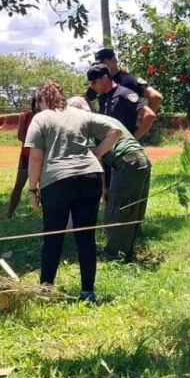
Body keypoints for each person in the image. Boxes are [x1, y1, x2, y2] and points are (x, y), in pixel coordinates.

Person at [25, 81, 122, 303]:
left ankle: (46, 290)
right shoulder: (80, 114)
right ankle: (87, 292)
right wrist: (96, 153)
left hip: (58, 181)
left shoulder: (41, 118)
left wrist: (32, 190)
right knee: (85, 237)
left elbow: (36, 157)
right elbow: (115, 130)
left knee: (53, 236)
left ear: (41, 99)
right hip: (90, 178)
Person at [67, 97, 152, 262]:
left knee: (117, 211)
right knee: (133, 208)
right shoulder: (105, 119)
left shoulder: (85, 124)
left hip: (127, 163)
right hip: (142, 160)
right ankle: (127, 251)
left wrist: (102, 189)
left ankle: (115, 256)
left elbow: (93, 159)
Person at [87, 63, 156, 142]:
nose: (92, 86)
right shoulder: (102, 97)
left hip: (124, 148)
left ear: (105, 78)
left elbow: (149, 115)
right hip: (108, 146)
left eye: (94, 83)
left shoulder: (124, 94)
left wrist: (133, 140)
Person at [0, 94, 38, 219]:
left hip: (43, 156)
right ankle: (9, 213)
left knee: (45, 186)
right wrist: (37, 146)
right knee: (19, 184)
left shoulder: (48, 117)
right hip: (26, 156)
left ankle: (46, 213)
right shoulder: (25, 117)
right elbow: (20, 136)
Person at [86, 48, 163, 112]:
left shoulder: (128, 79)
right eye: (97, 64)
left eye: (103, 62)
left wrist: (143, 122)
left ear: (113, 60)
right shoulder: (98, 82)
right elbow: (85, 99)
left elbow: (156, 97)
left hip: (127, 129)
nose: (99, 66)